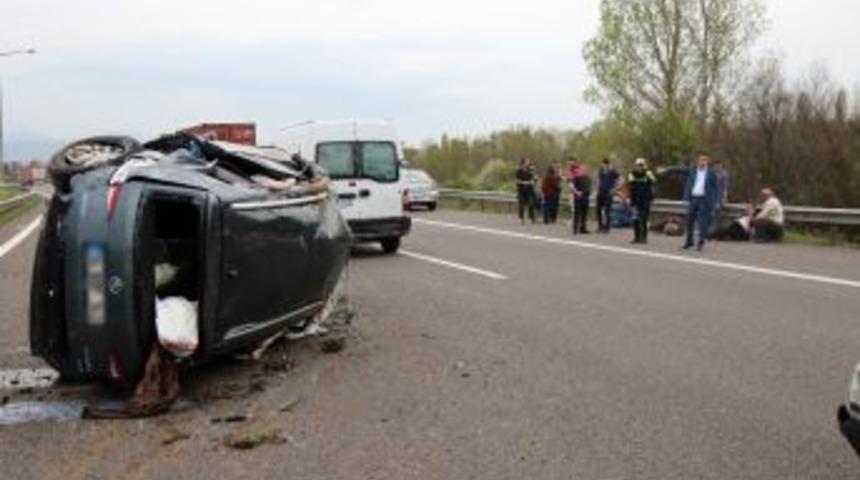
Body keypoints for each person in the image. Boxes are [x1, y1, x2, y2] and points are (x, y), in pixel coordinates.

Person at [682, 155, 720, 251]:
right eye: (700, 161)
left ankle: (700, 243)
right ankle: (689, 241)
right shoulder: (693, 171)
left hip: (704, 199)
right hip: (694, 198)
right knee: (690, 221)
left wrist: (716, 201)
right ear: (697, 162)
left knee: (702, 223)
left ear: (707, 162)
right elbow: (682, 173)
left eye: (704, 161)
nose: (702, 162)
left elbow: (716, 188)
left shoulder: (711, 173)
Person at [627, 158, 657, 244]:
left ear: (644, 165)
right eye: (638, 165)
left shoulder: (648, 173)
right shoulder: (632, 173)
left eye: (641, 165)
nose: (640, 167)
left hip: (645, 200)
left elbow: (654, 181)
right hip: (635, 200)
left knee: (644, 219)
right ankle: (636, 237)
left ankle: (644, 237)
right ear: (636, 165)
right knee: (635, 219)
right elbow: (631, 186)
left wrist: (647, 172)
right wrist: (630, 199)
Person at [596, 158, 621, 233]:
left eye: (604, 164)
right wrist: (598, 187)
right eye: (602, 164)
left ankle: (607, 227)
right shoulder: (601, 171)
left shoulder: (613, 171)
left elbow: (620, 179)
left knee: (607, 211)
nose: (603, 166)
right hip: (601, 192)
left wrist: (615, 189)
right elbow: (599, 180)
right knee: (598, 210)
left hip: (608, 193)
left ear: (607, 164)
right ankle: (600, 226)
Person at [569, 159, 592, 234]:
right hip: (578, 197)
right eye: (583, 169)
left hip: (585, 197)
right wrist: (577, 192)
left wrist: (584, 192)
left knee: (584, 214)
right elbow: (572, 186)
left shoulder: (588, 178)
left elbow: (589, 188)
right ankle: (575, 229)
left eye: (585, 169)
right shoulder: (576, 177)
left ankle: (583, 228)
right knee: (577, 213)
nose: (584, 170)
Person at [710, 159, 730, 237]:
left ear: (721, 165)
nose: (717, 167)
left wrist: (724, 198)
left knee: (716, 214)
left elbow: (725, 187)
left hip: (719, 196)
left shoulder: (724, 174)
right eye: (716, 165)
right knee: (710, 214)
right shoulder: (711, 173)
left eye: (719, 165)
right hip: (711, 196)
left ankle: (714, 232)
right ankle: (709, 232)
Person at [515, 158, 537, 224]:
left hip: (529, 190)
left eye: (528, 162)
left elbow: (534, 178)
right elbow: (517, 180)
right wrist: (524, 182)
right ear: (523, 163)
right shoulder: (519, 171)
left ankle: (531, 217)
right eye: (526, 162)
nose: (528, 163)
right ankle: (521, 218)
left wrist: (534, 180)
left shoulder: (530, 170)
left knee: (531, 203)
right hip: (521, 190)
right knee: (521, 204)